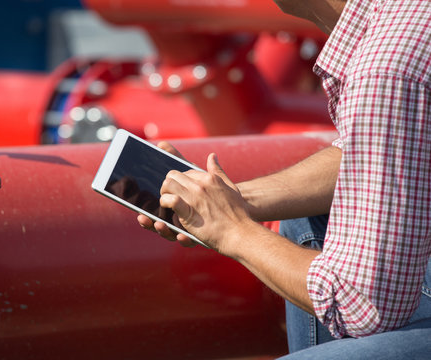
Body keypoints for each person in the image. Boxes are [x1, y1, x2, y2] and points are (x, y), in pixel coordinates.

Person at [137, 0, 431, 358]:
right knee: (306, 223)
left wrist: (232, 231)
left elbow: (362, 306)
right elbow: (378, 152)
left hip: (365, 302)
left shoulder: (387, 68)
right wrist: (231, 200)